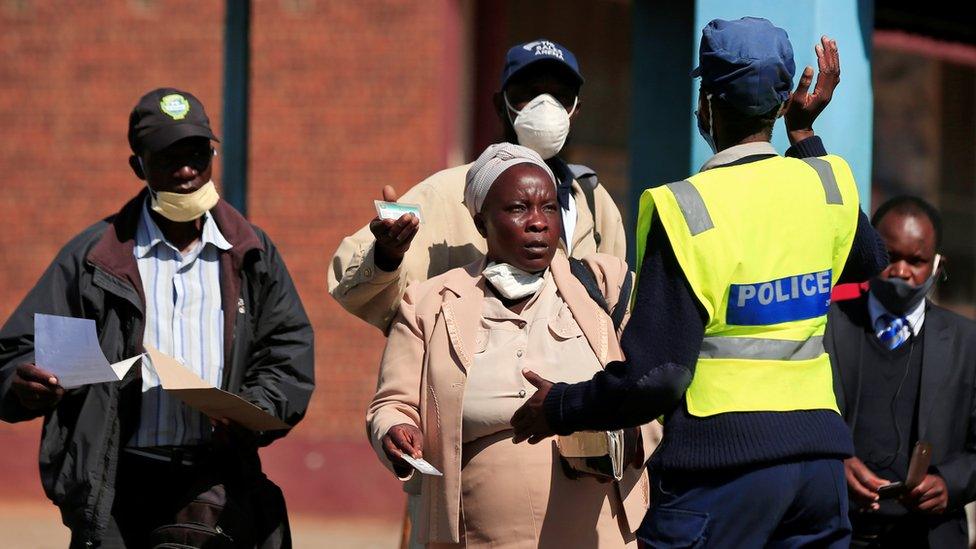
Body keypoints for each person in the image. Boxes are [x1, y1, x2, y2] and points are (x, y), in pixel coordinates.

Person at [510, 18, 890, 547]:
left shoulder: (685, 209)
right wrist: (804, 136)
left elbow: (658, 378)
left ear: (706, 106)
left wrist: (560, 407)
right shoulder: (825, 181)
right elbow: (869, 261)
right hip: (818, 470)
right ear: (783, 104)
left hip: (722, 472)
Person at [0, 88, 314, 548]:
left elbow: (288, 352)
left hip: (214, 477)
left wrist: (254, 410)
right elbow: (15, 354)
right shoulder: (94, 256)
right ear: (139, 166)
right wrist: (22, 388)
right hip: (115, 481)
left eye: (198, 153)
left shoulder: (251, 254)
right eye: (169, 157)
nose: (187, 170)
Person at [367, 143, 657, 548]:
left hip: (597, 533)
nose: (538, 222)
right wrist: (395, 431)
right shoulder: (429, 304)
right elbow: (391, 403)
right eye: (519, 208)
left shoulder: (603, 285)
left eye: (550, 207)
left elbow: (656, 377)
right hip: (475, 536)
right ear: (481, 222)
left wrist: (629, 440)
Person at [328, 38, 627, 333]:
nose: (546, 107)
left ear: (575, 110)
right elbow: (352, 286)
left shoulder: (591, 199)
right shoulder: (445, 194)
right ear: (500, 104)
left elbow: (617, 307)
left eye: (560, 96)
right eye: (530, 94)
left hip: (575, 380)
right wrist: (387, 255)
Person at [827, 196, 976, 548]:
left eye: (917, 261)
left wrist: (949, 484)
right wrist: (832, 463)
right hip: (837, 532)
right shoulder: (826, 325)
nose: (901, 272)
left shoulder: (966, 343)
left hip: (926, 536)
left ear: (938, 265)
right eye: (889, 257)